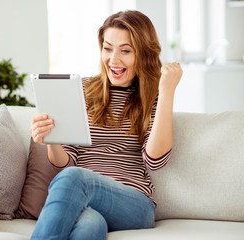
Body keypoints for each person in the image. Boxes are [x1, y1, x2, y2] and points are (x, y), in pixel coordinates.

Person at [29, 10, 183, 240]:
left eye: (125, 51)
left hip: (133, 203)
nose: (113, 59)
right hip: (84, 201)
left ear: (143, 54)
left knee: (74, 177)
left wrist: (167, 91)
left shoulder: (154, 96)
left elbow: (155, 160)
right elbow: (65, 163)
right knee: (90, 226)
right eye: (108, 48)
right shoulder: (82, 89)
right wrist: (53, 139)